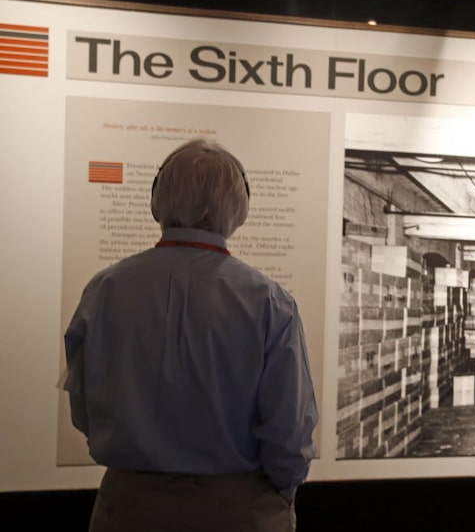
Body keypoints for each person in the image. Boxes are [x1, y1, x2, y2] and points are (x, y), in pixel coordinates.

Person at [62, 138, 319, 532]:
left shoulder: (105, 289)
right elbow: (289, 429)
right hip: (240, 511)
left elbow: (82, 409)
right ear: (240, 210)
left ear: (156, 202)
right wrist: (279, 493)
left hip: (128, 507)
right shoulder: (269, 301)